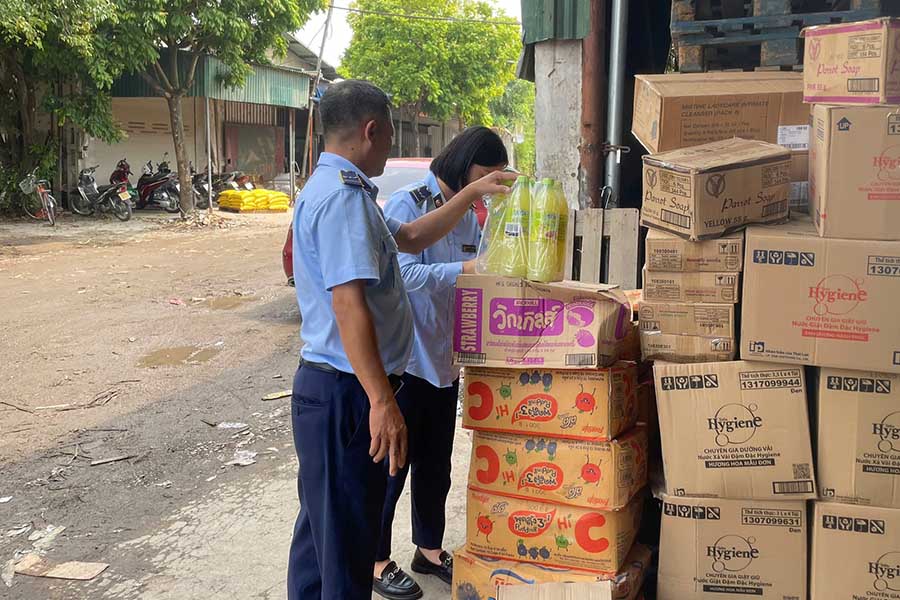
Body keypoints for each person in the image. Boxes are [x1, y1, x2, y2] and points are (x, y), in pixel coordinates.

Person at [286, 80, 514, 600]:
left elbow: (410, 238)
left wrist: (474, 193)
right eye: (390, 131)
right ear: (372, 130)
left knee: (319, 539)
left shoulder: (338, 190)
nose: (391, 142)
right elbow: (349, 305)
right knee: (345, 550)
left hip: (331, 390)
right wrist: (383, 401)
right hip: (347, 391)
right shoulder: (343, 200)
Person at [371, 127, 509, 600]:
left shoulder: (473, 217)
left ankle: (427, 549)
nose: (489, 184)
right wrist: (466, 270)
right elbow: (404, 274)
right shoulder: (411, 203)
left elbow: (485, 268)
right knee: (394, 463)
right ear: (464, 165)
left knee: (436, 464)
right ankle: (376, 557)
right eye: (485, 175)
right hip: (408, 359)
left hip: (445, 359)